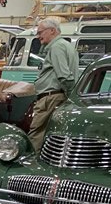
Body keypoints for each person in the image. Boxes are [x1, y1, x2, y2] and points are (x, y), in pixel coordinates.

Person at [27, 17, 80, 151]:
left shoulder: (57, 47)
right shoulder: (66, 45)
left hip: (50, 98)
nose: (38, 36)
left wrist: (70, 96)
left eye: (40, 32)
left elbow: (64, 75)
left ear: (52, 31)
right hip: (56, 96)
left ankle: (31, 166)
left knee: (36, 134)